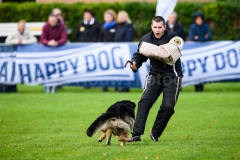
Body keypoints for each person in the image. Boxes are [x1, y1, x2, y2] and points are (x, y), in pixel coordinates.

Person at [129, 16, 183, 142]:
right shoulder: (146, 39)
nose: (157, 30)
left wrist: (153, 50)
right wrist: (135, 63)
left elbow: (170, 54)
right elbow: (139, 54)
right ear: (151, 27)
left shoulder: (173, 38)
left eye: (159, 27)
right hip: (155, 74)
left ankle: (155, 133)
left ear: (164, 27)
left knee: (168, 107)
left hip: (172, 75)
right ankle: (136, 134)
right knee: (144, 101)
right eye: (155, 27)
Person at [4, 20, 37, 93]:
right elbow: (7, 41)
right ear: (17, 27)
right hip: (15, 57)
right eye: (20, 26)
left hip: (25, 57)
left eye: (23, 26)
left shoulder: (27, 33)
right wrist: (16, 41)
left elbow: (34, 40)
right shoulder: (14, 33)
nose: (21, 28)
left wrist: (23, 42)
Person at [189, 12, 212, 92]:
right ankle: (196, 87)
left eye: (200, 19)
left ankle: (202, 87)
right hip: (196, 52)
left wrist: (198, 37)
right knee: (196, 69)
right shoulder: (193, 27)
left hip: (204, 51)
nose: (199, 20)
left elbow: (209, 37)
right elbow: (192, 38)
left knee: (203, 69)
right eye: (197, 19)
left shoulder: (205, 26)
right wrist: (203, 37)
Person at [114, 10, 135, 92]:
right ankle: (119, 86)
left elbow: (128, 39)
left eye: (121, 17)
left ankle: (125, 87)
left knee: (126, 69)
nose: (120, 18)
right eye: (119, 17)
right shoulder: (118, 26)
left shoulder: (129, 26)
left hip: (125, 50)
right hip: (117, 50)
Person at [99, 9, 117, 92]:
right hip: (105, 52)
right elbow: (100, 39)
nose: (108, 18)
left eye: (109, 16)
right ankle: (105, 86)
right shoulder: (103, 27)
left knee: (115, 70)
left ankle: (116, 86)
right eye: (106, 17)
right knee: (105, 70)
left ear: (112, 17)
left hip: (114, 52)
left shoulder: (116, 26)